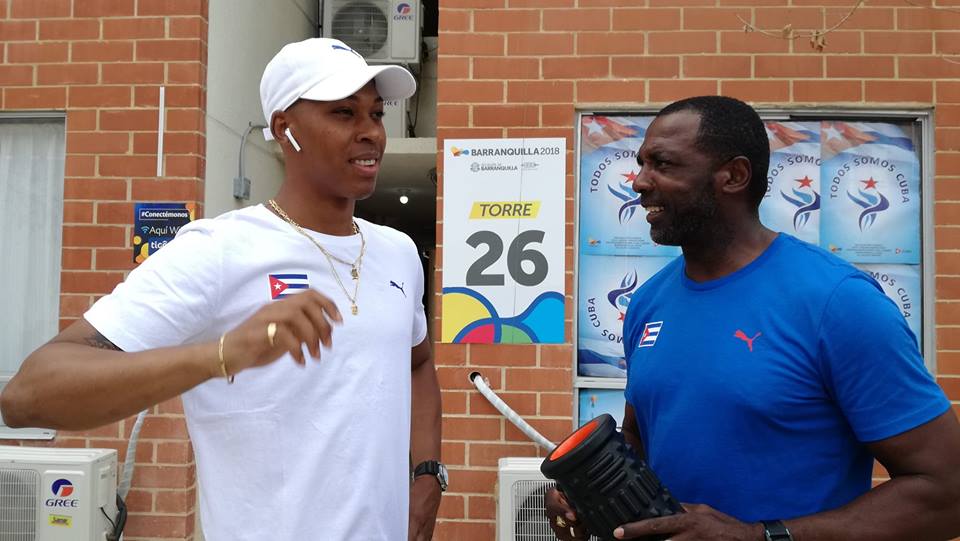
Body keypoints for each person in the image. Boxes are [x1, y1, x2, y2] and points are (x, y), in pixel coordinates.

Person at [1, 38, 445, 541]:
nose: (370, 133)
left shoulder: (399, 253)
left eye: (376, 114)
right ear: (285, 129)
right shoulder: (219, 250)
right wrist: (221, 356)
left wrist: (428, 473)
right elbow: (27, 396)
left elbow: (417, 361)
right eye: (344, 113)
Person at [546, 96, 960, 541]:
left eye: (662, 164)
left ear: (734, 176)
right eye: (641, 163)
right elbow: (639, 440)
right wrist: (589, 493)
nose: (640, 182)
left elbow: (946, 495)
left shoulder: (837, 302)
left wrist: (758, 536)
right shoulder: (648, 302)